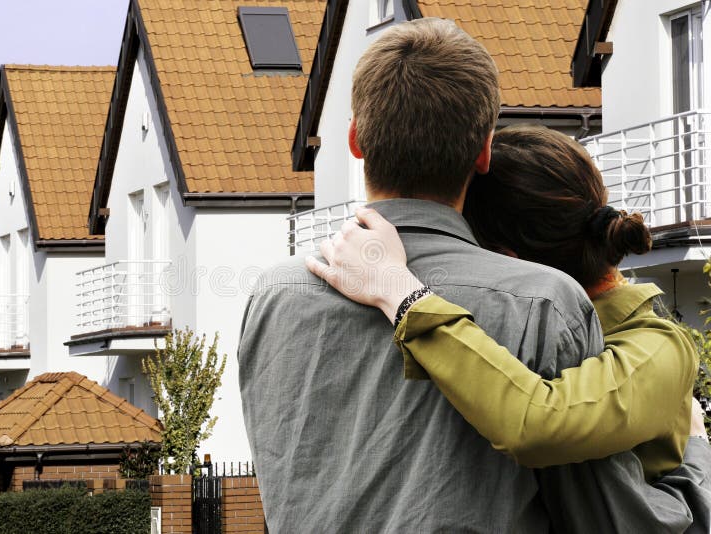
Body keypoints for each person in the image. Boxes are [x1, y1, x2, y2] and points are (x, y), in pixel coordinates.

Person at [239, 19, 703, 532]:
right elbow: (604, 513)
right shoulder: (542, 305)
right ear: (482, 151)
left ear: (354, 139)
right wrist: (698, 454)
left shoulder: (275, 293)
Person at [307, 125, 711, 531]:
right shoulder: (513, 325)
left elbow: (538, 422)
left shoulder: (657, 345)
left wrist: (401, 292)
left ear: (505, 259)